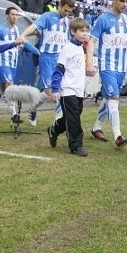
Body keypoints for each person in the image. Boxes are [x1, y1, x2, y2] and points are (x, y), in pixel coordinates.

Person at [86, 0, 127, 147]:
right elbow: (91, 41)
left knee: (107, 99)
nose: (125, 4)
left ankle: (96, 128)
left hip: (121, 68)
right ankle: (118, 135)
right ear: (113, 0)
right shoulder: (103, 19)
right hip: (107, 66)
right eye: (122, 1)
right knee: (114, 98)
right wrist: (89, 63)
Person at [19, 0, 76, 127]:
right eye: (65, 10)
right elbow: (34, 26)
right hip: (47, 58)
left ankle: (57, 121)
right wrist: (22, 35)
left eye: (69, 11)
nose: (67, 13)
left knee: (59, 90)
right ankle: (36, 109)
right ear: (60, 5)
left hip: (61, 59)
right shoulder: (48, 16)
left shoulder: (67, 22)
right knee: (51, 91)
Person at [47, 18, 90, 156]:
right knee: (73, 119)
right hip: (68, 90)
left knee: (71, 116)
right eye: (82, 31)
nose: (85, 33)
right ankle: (76, 145)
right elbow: (59, 70)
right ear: (73, 31)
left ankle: (54, 129)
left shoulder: (81, 47)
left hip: (78, 90)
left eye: (86, 31)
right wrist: (55, 89)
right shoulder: (67, 49)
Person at [0, 7, 38, 123]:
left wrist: (37, 52)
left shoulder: (17, 29)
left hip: (13, 63)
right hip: (3, 62)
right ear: (7, 16)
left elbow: (24, 43)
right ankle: (14, 115)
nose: (15, 17)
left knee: (3, 89)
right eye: (12, 14)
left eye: (16, 15)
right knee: (10, 87)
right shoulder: (0, 30)